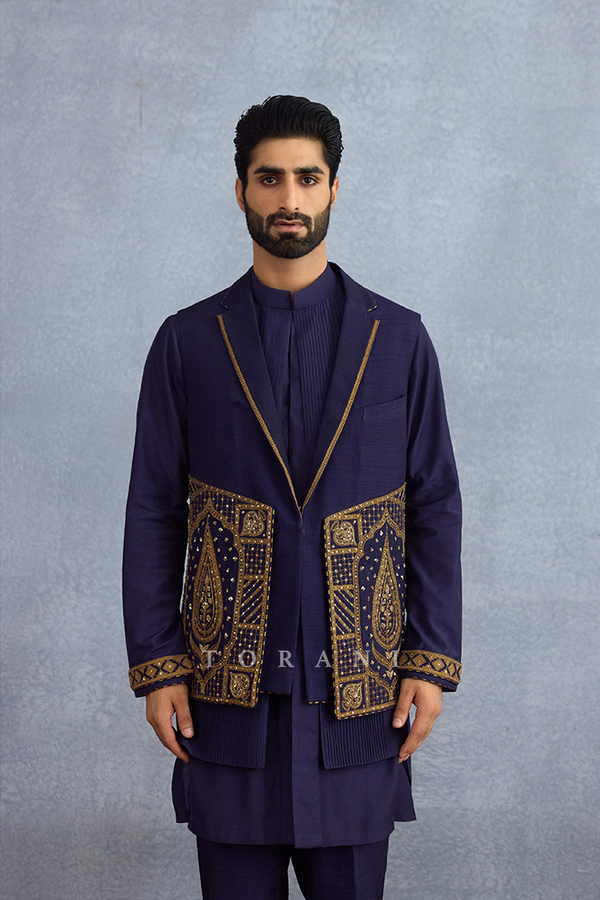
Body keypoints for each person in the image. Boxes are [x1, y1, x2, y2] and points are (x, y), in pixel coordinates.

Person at [123, 95, 462, 900]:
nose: (289, 198)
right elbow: (153, 508)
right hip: (227, 700)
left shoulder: (399, 339)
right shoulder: (187, 342)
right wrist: (158, 667)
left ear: (334, 188)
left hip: (359, 699)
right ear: (240, 189)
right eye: (269, 178)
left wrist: (430, 659)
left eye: (307, 178)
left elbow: (435, 504)